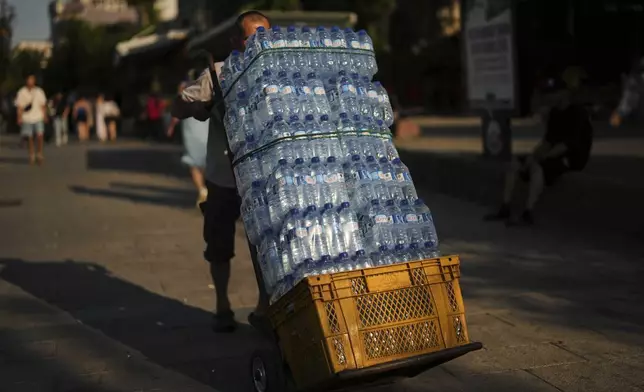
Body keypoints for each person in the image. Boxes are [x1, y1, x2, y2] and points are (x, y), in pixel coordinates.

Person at [171, 10, 271, 333]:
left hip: (262, 179)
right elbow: (178, 105)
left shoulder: (276, 74)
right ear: (235, 42)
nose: (259, 43)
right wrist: (199, 107)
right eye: (251, 37)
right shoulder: (218, 73)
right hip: (223, 176)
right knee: (219, 244)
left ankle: (264, 308)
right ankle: (223, 305)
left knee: (268, 246)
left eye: (265, 36)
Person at [484, 74, 593, 226]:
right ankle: (505, 207)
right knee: (514, 162)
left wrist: (539, 158)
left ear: (565, 93)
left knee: (537, 167)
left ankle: (528, 213)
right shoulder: (555, 113)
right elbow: (548, 140)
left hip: (572, 158)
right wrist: (533, 154)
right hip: (555, 152)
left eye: (554, 93)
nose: (550, 97)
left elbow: (567, 145)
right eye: (549, 94)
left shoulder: (578, 113)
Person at [167, 82, 209, 207]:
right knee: (205, 162)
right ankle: (207, 188)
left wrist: (170, 128)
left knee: (193, 164)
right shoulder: (204, 98)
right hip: (205, 134)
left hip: (191, 134)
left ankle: (202, 189)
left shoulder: (183, 101)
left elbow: (175, 117)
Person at [14, 74, 48, 164]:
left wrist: (45, 116)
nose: (30, 81)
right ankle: (31, 154)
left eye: (32, 80)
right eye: (29, 79)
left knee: (40, 135)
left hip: (38, 116)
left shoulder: (39, 91)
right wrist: (19, 117)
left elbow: (43, 105)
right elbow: (19, 106)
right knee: (30, 137)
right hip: (27, 117)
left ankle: (39, 153)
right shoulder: (21, 92)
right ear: (26, 81)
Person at [610, 56, 644, 128]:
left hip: (636, 94)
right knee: (626, 105)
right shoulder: (633, 78)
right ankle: (617, 120)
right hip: (632, 94)